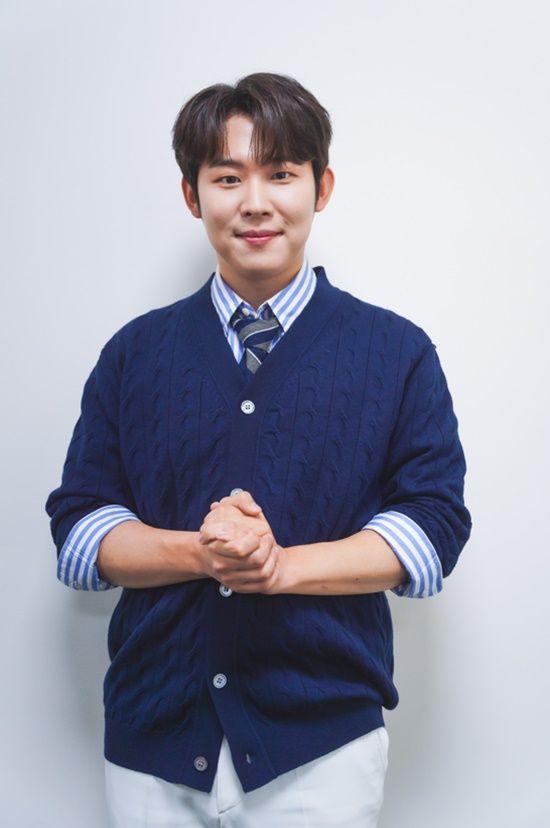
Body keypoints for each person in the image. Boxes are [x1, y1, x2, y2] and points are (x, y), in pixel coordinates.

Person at [45, 72, 472, 827]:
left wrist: (279, 567)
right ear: (192, 195)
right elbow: (79, 531)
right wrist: (203, 553)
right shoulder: (134, 354)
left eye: (280, 174)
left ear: (321, 187)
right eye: (227, 177)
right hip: (152, 742)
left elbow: (433, 530)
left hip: (323, 749)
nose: (254, 202)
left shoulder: (396, 352)